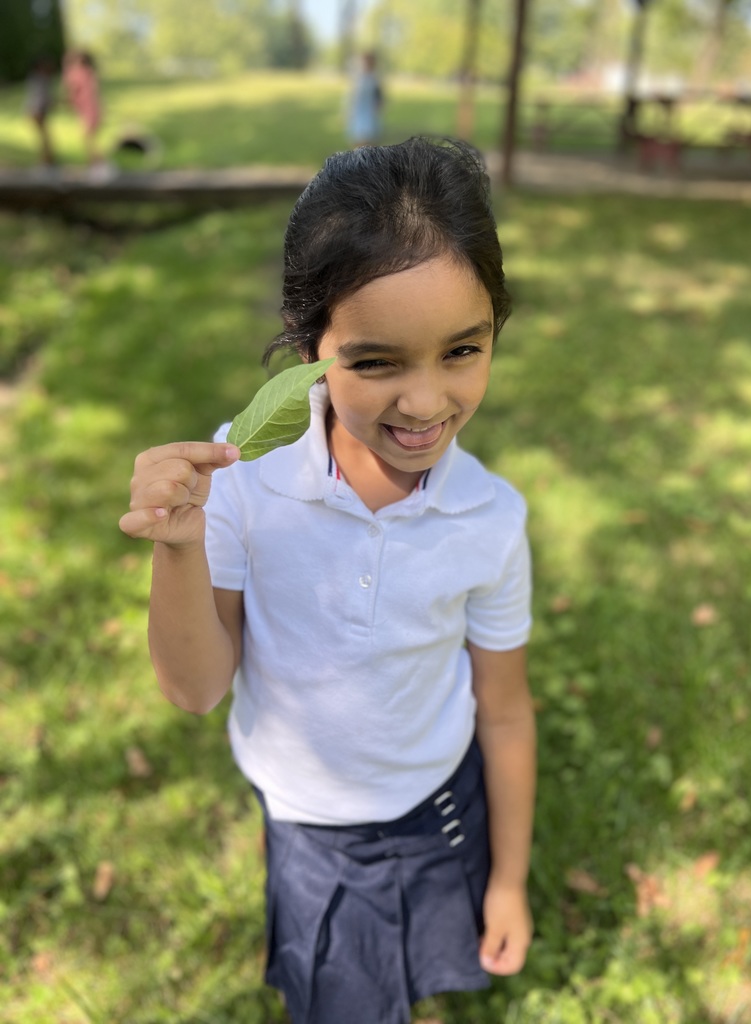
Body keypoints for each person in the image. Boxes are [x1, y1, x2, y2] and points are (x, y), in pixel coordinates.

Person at [119, 137, 536, 1024]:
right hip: (309, 824)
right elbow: (195, 689)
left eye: (462, 350)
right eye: (377, 362)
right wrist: (179, 547)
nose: (424, 403)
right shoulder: (243, 478)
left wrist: (508, 880)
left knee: (415, 979)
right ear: (311, 346)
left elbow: (503, 710)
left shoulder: (491, 518)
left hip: (439, 809)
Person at [63, 50, 103, 167]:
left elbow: (73, 90)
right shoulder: (89, 72)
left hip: (88, 109)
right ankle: (94, 162)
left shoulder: (79, 74)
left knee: (88, 138)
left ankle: (96, 162)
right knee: (89, 138)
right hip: (90, 108)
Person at [346, 50, 384, 147]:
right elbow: (352, 97)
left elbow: (379, 98)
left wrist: (377, 107)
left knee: (369, 142)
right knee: (358, 141)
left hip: (370, 115)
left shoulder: (374, 79)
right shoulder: (358, 79)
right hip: (358, 114)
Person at [25, 56, 57, 167]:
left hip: (40, 110)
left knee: (45, 137)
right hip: (37, 110)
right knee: (44, 137)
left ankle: (47, 159)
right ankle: (46, 160)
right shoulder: (40, 79)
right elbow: (40, 97)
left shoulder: (42, 79)